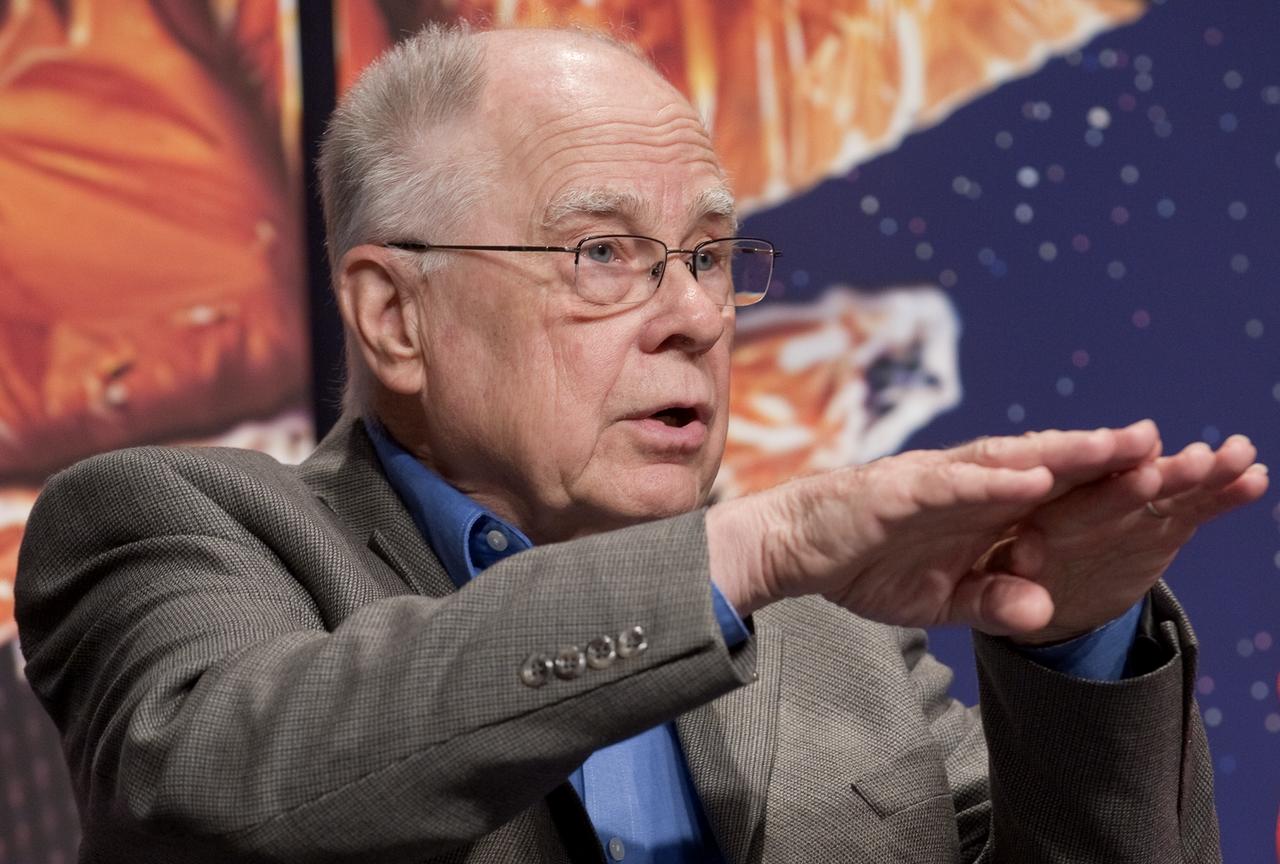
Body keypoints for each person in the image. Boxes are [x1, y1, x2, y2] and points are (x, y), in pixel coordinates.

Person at [16, 24, 1267, 864]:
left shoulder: (825, 626)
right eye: (602, 253)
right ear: (395, 317)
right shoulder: (174, 524)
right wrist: (743, 555)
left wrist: (1071, 650)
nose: (694, 317)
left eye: (709, 257)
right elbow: (221, 794)